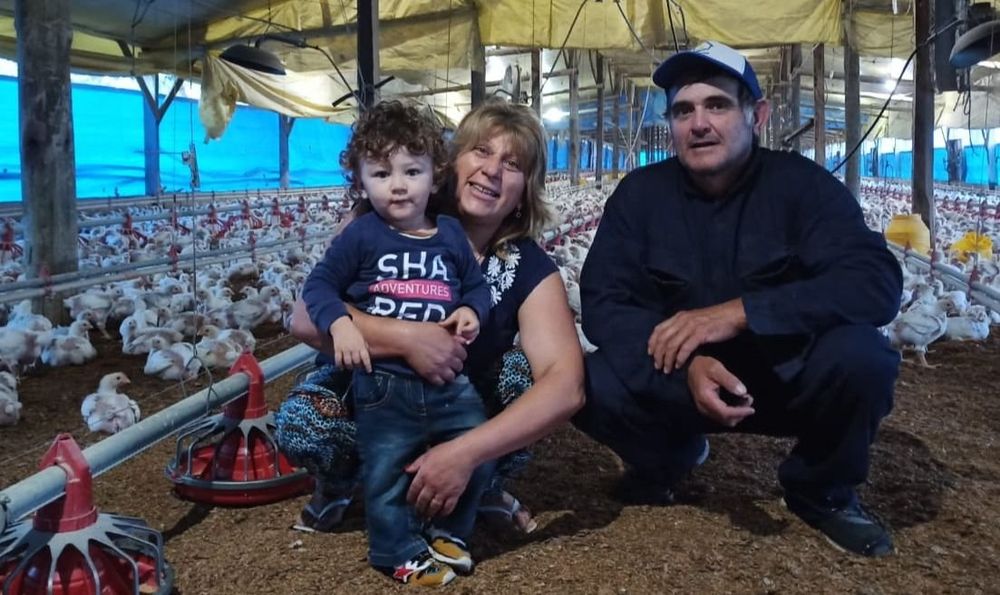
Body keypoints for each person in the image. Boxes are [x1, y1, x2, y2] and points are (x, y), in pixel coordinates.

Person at [573, 41, 903, 558]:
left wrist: (743, 312)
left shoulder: (802, 187)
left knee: (864, 358)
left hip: (784, 375)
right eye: (684, 111)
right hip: (679, 380)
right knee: (585, 378)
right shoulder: (640, 196)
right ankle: (666, 456)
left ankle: (821, 489)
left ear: (758, 115)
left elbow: (876, 282)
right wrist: (686, 368)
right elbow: (604, 303)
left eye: (718, 105)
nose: (699, 123)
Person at [277, 99, 584, 564]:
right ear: (450, 163)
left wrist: (465, 452)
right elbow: (304, 318)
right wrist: (408, 339)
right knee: (304, 421)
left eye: (513, 164)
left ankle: (477, 480)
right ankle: (342, 480)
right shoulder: (382, 218)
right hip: (372, 393)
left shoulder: (528, 267)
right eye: (481, 151)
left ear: (524, 192)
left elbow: (567, 385)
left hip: (454, 409)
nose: (492, 171)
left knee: (521, 378)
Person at [300, 100, 495, 586]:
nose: (399, 184)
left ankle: (449, 532)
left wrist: (471, 311)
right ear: (361, 182)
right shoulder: (363, 234)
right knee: (386, 470)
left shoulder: (450, 234)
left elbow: (476, 286)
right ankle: (394, 552)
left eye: (412, 170)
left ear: (435, 175)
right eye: (381, 173)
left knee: (478, 446)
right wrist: (341, 325)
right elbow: (319, 287)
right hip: (383, 384)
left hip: (449, 381)